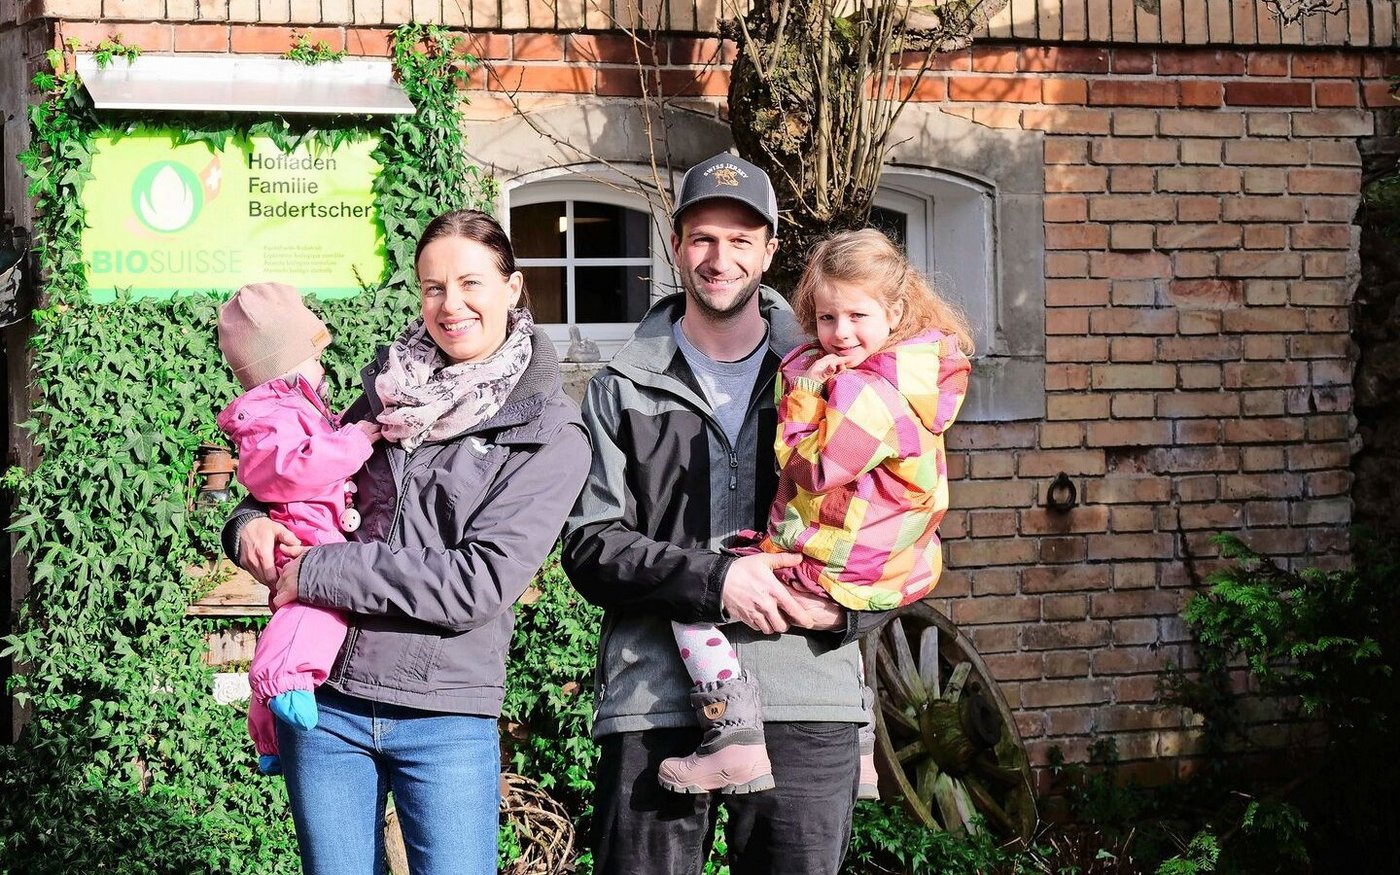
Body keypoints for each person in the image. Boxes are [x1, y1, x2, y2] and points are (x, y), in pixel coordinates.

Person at [222, 210, 590, 875]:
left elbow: (475, 582)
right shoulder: (387, 392)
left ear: (512, 288)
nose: (452, 305)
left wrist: (323, 572)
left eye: (471, 283)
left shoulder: (548, 432)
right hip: (328, 703)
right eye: (433, 287)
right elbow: (303, 477)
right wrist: (246, 521)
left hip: (443, 711)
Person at [563, 152, 882, 875]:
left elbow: (900, 526)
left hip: (808, 691)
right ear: (676, 246)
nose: (720, 257)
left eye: (741, 239)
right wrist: (717, 582)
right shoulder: (622, 387)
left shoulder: (837, 376)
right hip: (657, 700)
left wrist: (847, 615)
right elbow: (589, 544)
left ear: (770, 249)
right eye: (702, 236)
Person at [655, 228, 973, 797]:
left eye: (857, 316)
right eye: (827, 319)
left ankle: (733, 743)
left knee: (695, 603)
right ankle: (863, 756)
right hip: (888, 563)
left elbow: (813, 468)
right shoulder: (916, 371)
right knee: (829, 631)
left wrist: (801, 394)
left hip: (843, 561)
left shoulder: (868, 390)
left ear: (895, 311)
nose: (840, 333)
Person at [215, 282, 383, 777]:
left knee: (297, 619)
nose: (324, 367)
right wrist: (353, 444)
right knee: (313, 613)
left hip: (315, 528)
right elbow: (287, 471)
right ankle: (282, 680)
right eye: (315, 358)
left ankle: (268, 737)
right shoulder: (273, 416)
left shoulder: (290, 409)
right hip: (307, 534)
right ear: (284, 368)